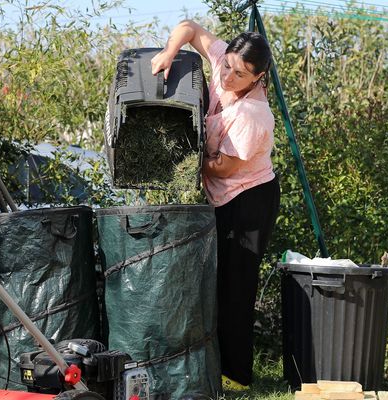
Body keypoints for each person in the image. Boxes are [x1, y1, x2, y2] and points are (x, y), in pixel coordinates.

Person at [151, 21, 281, 391]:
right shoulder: (224, 58)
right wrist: (169, 52)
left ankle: (236, 376)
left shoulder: (255, 116)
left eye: (240, 74)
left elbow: (224, 166)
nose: (227, 75)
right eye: (227, 66)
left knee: (235, 284)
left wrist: (182, 159)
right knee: (215, 279)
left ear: (258, 77)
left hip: (249, 200)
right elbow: (190, 28)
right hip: (223, 194)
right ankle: (215, 363)